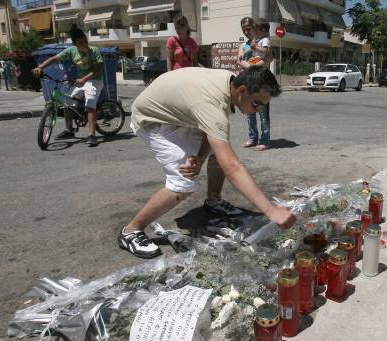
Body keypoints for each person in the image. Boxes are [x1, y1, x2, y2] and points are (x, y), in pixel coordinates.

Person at [118, 66, 296, 258]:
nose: (258, 110)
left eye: (263, 106)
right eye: (256, 104)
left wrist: (200, 157)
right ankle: (130, 231)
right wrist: (270, 210)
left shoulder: (230, 84)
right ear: (243, 90)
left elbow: (209, 129)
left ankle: (214, 201)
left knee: (218, 152)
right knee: (182, 184)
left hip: (179, 112)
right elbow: (232, 166)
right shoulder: (212, 105)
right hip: (152, 119)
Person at [32, 27, 103, 147]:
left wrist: (84, 79)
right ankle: (69, 130)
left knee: (90, 103)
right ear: (75, 43)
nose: (84, 43)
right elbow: (54, 58)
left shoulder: (94, 50)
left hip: (94, 80)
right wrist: (40, 67)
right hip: (80, 81)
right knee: (67, 102)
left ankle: (91, 135)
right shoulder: (72, 51)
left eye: (84, 40)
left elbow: (98, 69)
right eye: (80, 42)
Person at [238, 17, 272, 151]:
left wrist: (250, 67)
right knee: (249, 112)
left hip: (262, 83)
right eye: (244, 30)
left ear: (254, 28)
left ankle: (265, 140)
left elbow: (268, 58)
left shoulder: (263, 42)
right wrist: (250, 67)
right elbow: (239, 60)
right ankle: (253, 138)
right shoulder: (244, 45)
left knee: (263, 113)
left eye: (249, 29)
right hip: (248, 84)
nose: (246, 32)